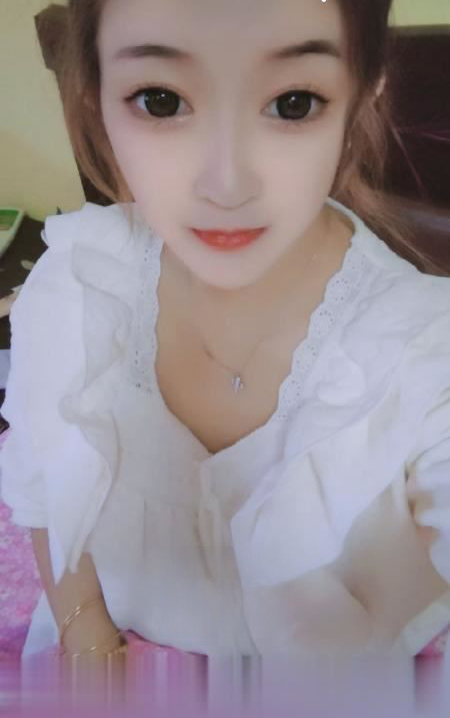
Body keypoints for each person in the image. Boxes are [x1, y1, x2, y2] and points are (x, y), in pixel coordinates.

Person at [1, 0, 450, 662]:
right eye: (160, 101)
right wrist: (85, 634)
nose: (227, 184)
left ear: (362, 97)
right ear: (96, 97)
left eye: (293, 104)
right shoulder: (73, 280)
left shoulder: (427, 353)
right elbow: (45, 491)